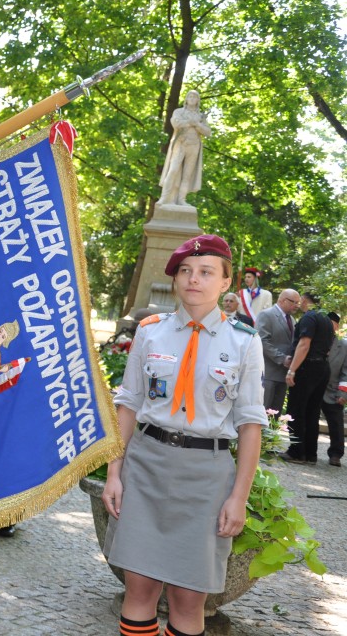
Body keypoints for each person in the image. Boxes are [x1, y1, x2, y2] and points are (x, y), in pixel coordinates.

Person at [101, 234, 265, 636]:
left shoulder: (244, 341)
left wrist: (238, 497)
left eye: (206, 272)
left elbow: (250, 424)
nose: (194, 279)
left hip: (206, 477)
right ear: (175, 279)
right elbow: (129, 405)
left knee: (188, 601)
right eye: (186, 271)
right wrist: (113, 473)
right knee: (138, 590)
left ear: (226, 282)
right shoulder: (150, 331)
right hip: (147, 465)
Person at [281, 292, 335, 464]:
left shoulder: (309, 318)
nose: (298, 304)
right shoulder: (326, 318)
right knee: (312, 411)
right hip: (322, 368)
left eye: (300, 301)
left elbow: (304, 344)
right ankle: (311, 454)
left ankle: (296, 452)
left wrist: (292, 370)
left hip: (307, 367)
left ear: (304, 300)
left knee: (296, 410)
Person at [158, 90, 211, 206]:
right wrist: (191, 122)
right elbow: (176, 124)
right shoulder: (179, 112)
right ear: (186, 99)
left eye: (195, 97)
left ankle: (182, 199)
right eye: (190, 96)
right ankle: (164, 198)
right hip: (180, 144)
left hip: (194, 146)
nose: (192, 98)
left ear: (198, 101)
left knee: (187, 174)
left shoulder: (201, 116)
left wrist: (197, 124)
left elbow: (208, 132)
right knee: (173, 170)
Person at [256, 289, 300, 414]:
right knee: (262, 412)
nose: (297, 305)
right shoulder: (266, 315)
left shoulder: (292, 320)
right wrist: (282, 358)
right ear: (283, 300)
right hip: (268, 373)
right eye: (294, 302)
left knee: (275, 414)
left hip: (283, 375)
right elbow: (262, 341)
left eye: (298, 302)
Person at [321, 312, 347, 467]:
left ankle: (336, 454)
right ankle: (306, 451)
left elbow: (346, 371)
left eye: (330, 324)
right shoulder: (315, 340)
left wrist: (343, 392)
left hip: (333, 390)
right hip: (314, 388)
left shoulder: (343, 346)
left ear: (336, 326)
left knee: (336, 424)